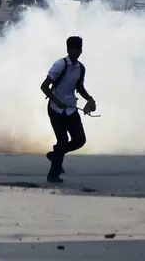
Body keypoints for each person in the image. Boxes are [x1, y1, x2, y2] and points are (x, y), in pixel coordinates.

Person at [40, 36, 96, 183]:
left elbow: (79, 87)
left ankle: (55, 154)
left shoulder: (80, 68)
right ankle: (53, 174)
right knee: (63, 140)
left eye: (79, 49)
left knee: (80, 140)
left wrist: (90, 99)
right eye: (74, 49)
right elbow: (44, 86)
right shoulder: (60, 65)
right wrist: (57, 101)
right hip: (55, 109)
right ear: (68, 49)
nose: (76, 52)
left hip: (71, 109)